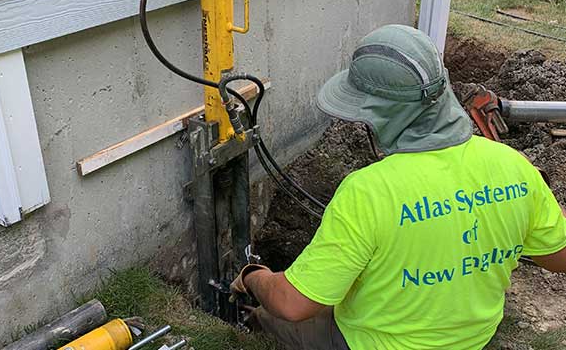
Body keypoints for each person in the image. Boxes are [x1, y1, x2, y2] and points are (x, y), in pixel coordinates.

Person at [230, 24, 566, 350]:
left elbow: (293, 304)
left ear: (379, 114)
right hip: (472, 339)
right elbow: (558, 257)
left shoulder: (368, 192)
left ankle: (245, 327)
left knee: (272, 317)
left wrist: (253, 277)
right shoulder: (515, 167)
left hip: (373, 343)